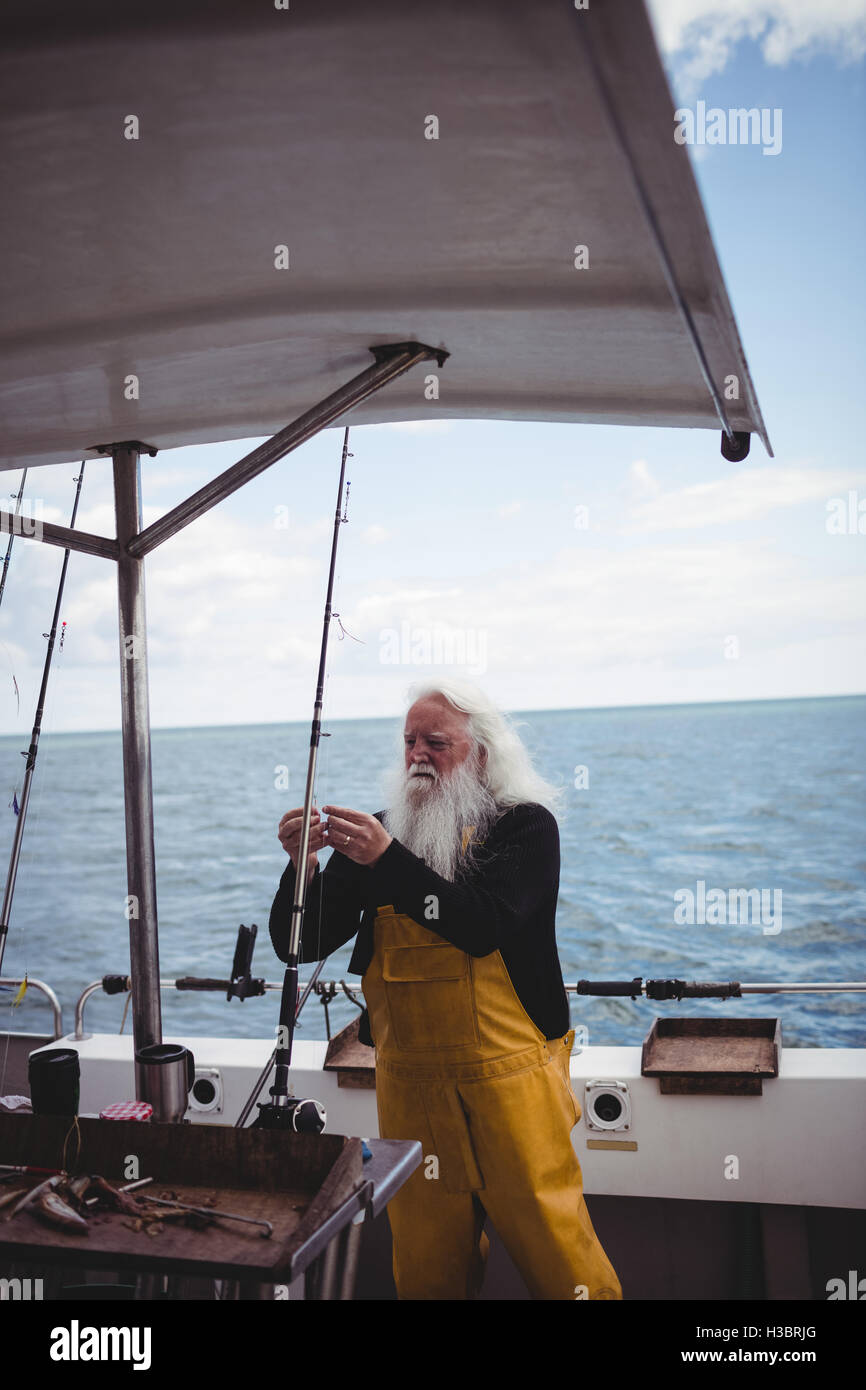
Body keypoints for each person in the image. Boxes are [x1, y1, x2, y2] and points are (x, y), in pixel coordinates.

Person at [269, 679, 622, 1301]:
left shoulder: (524, 829)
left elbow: (480, 926)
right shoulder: (379, 837)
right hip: (409, 1088)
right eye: (409, 742)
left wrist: (387, 862)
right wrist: (303, 868)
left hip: (510, 1084)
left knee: (562, 1259)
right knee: (427, 1268)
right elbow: (298, 945)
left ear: (481, 754)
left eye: (437, 742)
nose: (418, 756)